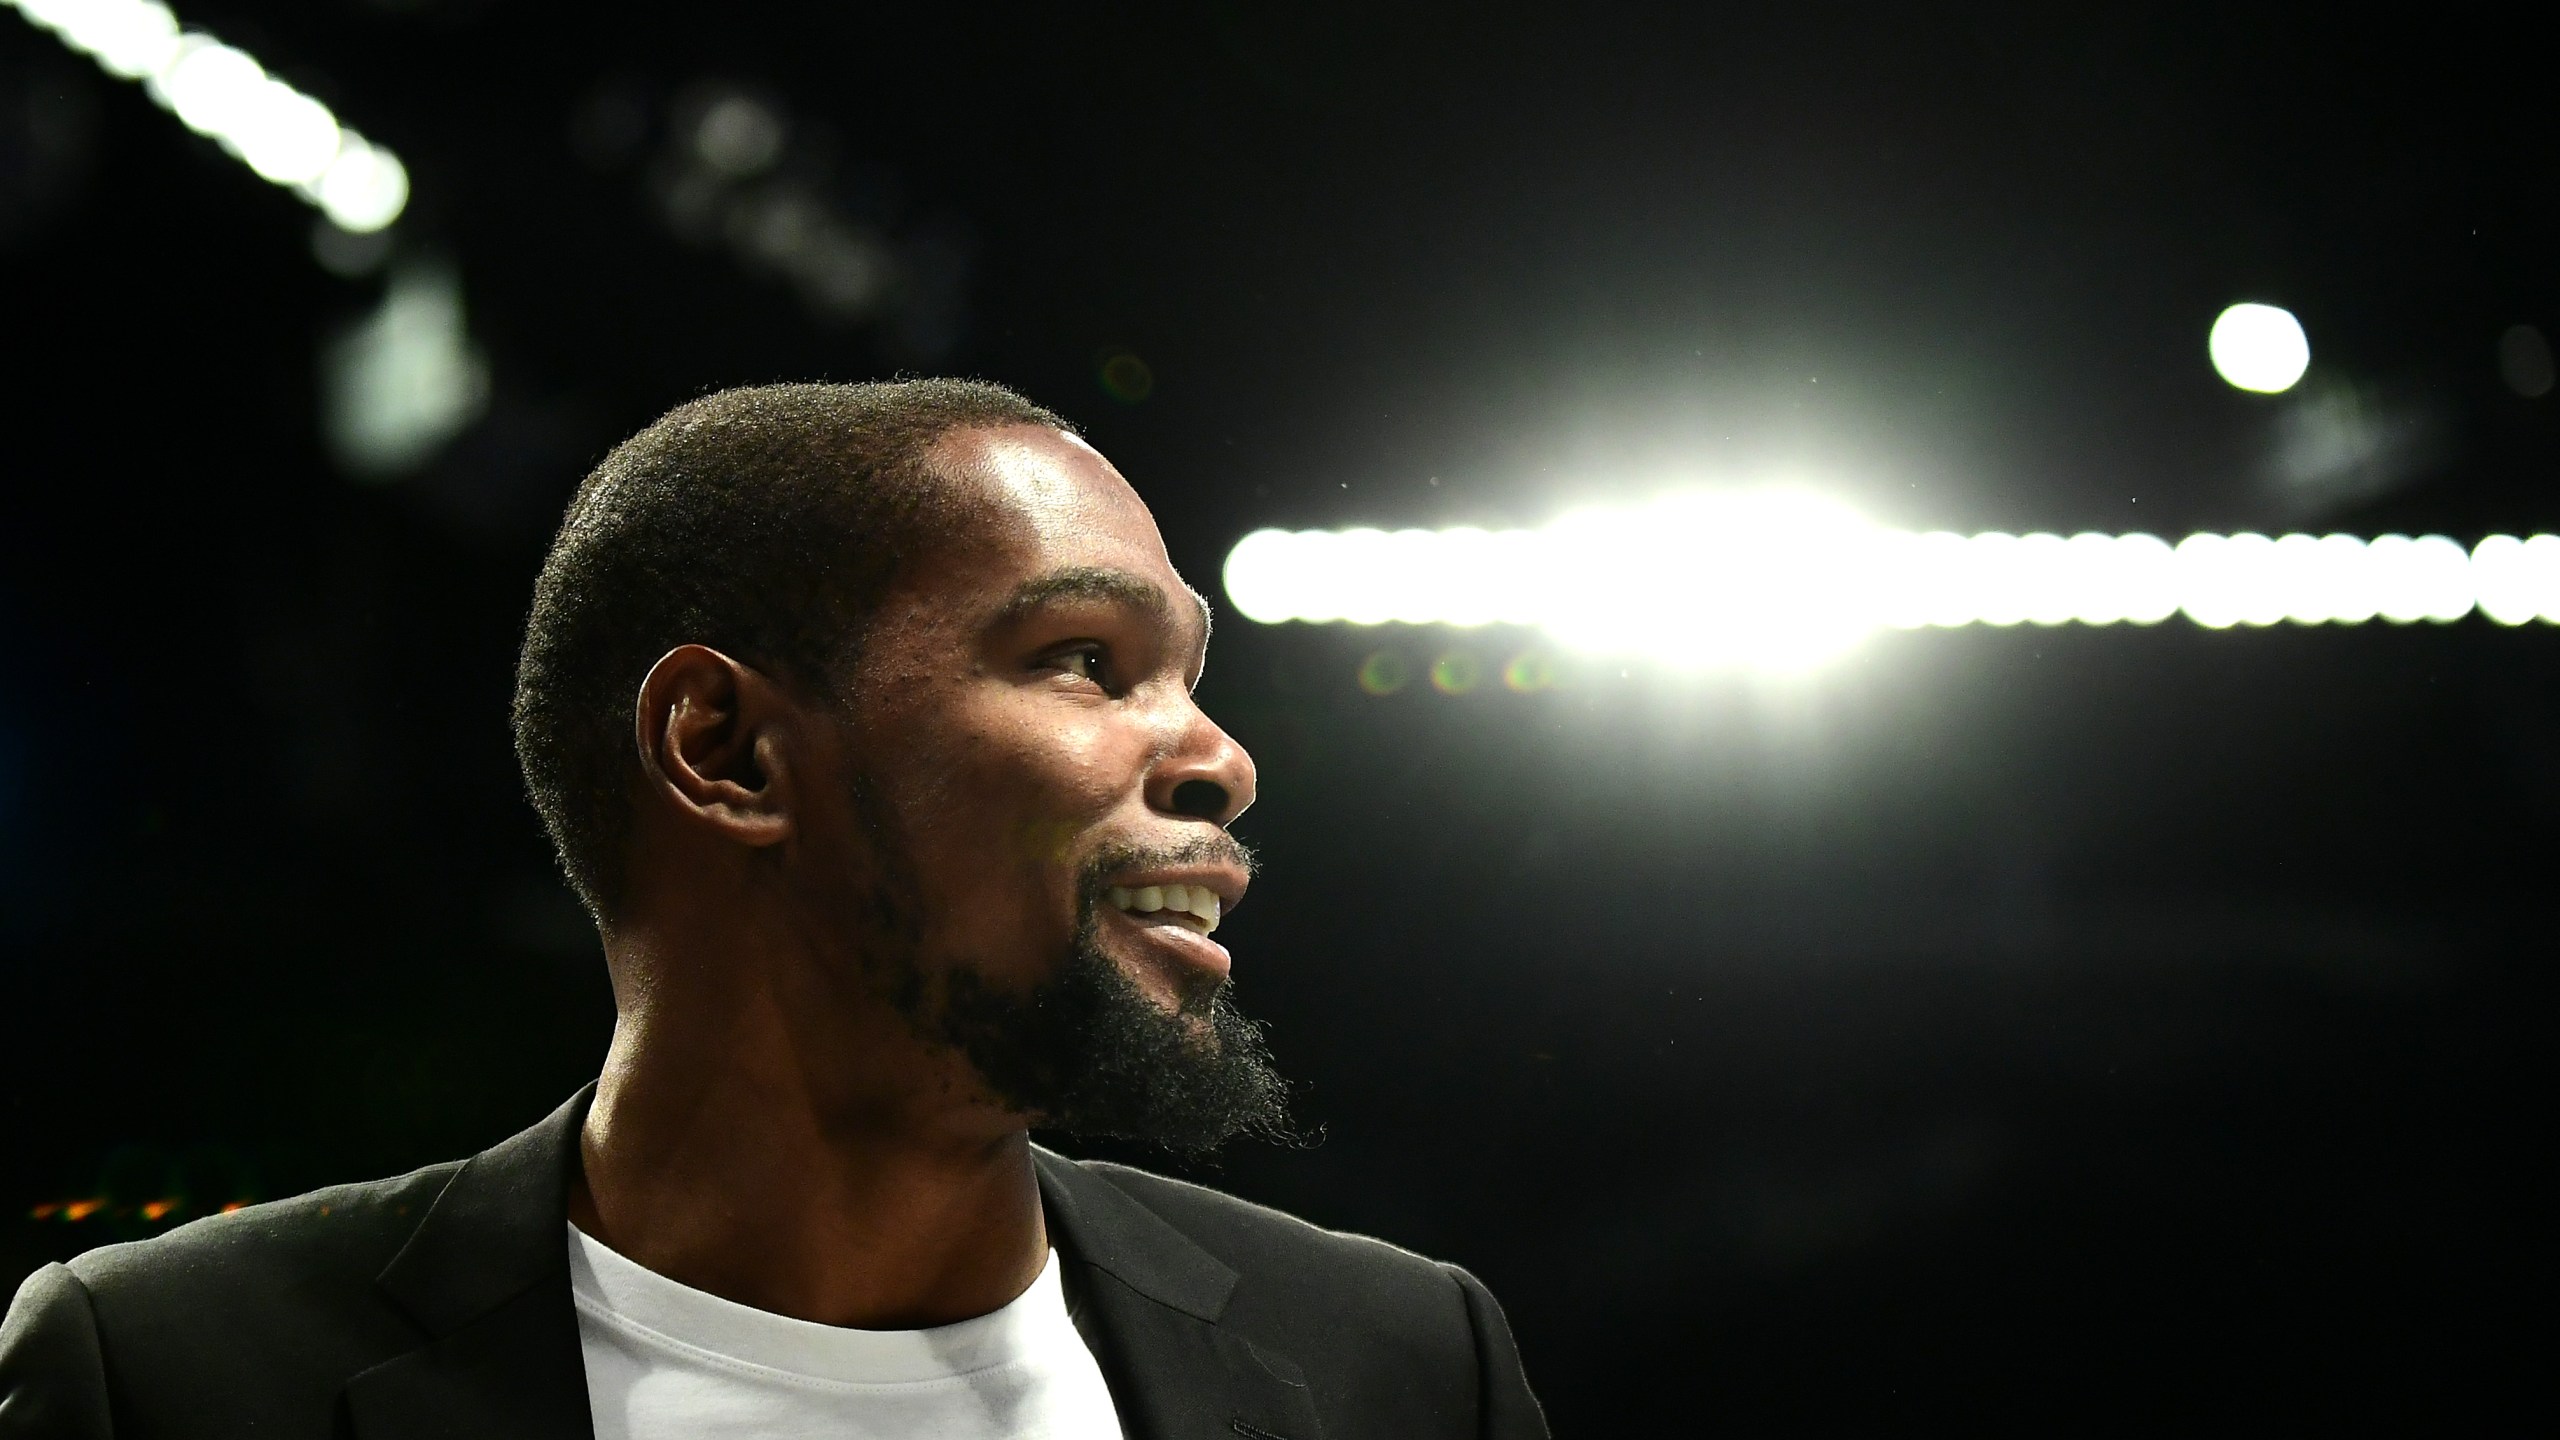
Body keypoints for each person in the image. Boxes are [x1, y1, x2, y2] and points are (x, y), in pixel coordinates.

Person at [0, 381, 1547, 1440]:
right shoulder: (180, 1381)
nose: (1223, 760)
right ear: (727, 751)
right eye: (1088, 660)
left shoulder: (1398, 1371)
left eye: (1194, 681)